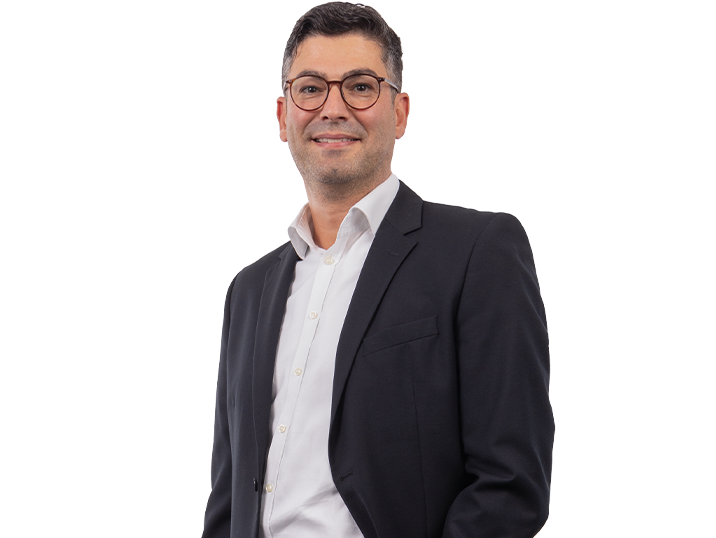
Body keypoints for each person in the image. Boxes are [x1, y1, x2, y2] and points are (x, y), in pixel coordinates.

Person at [203, 3, 554, 538]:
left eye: (361, 87)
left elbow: (511, 484)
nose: (333, 108)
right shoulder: (248, 291)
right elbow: (229, 498)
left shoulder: (477, 251)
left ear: (400, 112)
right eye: (310, 88)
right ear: (283, 116)